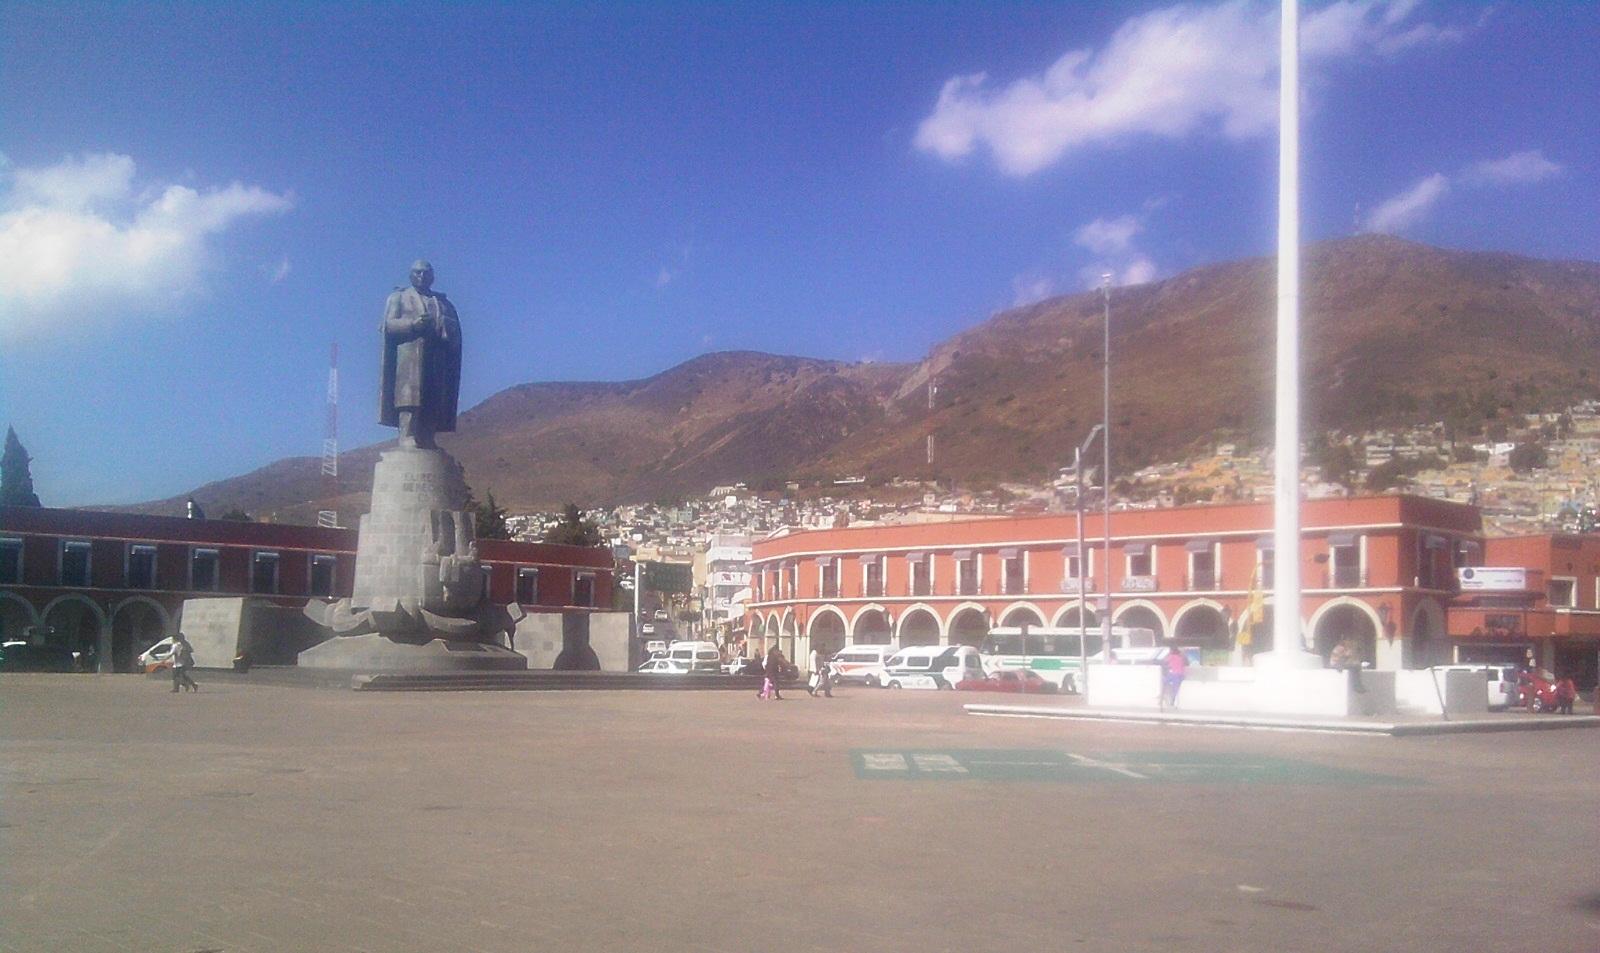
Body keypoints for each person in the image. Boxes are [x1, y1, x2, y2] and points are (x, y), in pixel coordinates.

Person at [380, 260, 463, 449]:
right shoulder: (398, 297)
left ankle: (427, 436)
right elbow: (389, 325)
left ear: (432, 276)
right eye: (417, 273)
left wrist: (445, 326)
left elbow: (455, 330)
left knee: (432, 398)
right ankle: (407, 435)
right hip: (410, 355)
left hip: (436, 356)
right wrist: (412, 324)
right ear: (411, 275)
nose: (421, 277)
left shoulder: (443, 302)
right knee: (409, 398)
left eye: (426, 273)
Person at [1159, 645, 1188, 710]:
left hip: (1174, 674)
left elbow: (1164, 661)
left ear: (1171, 651)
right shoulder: (1181, 658)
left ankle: (1162, 698)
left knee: (1164, 682)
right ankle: (1172, 700)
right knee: (1175, 689)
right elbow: (1184, 664)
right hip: (1181, 675)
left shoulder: (1171, 656)